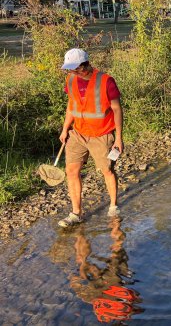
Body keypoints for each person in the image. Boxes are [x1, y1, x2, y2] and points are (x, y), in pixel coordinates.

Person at [58, 48, 124, 228]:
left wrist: (118, 138)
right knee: (71, 171)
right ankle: (76, 213)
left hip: (101, 135)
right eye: (70, 69)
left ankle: (113, 206)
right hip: (78, 133)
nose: (73, 72)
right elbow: (71, 105)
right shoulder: (70, 79)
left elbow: (117, 109)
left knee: (107, 170)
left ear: (84, 65)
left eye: (75, 68)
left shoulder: (106, 81)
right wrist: (65, 128)